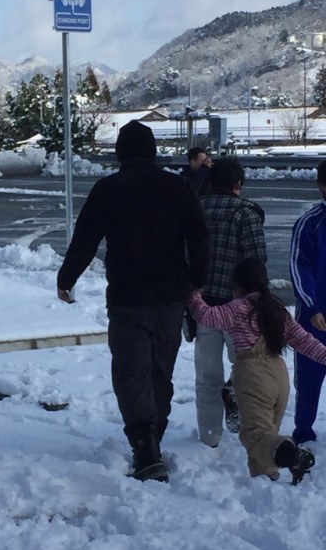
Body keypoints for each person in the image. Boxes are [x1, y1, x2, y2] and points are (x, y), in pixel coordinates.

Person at [56, 120, 209, 482]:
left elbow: (85, 239)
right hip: (171, 297)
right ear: (153, 151)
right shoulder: (178, 187)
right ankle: (153, 436)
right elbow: (199, 238)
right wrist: (197, 281)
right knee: (160, 369)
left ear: (120, 153)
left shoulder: (108, 188)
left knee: (131, 370)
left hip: (128, 297)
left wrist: (66, 279)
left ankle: (145, 447)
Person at [188, 258, 321, 484]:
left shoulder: (239, 307)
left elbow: (207, 317)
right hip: (279, 375)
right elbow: (305, 342)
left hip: (253, 374)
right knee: (268, 432)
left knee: (255, 435)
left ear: (238, 285)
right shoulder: (277, 309)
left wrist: (193, 295)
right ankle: (266, 479)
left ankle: (292, 456)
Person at [195, 156, 267, 447]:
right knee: (246, 368)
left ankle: (210, 436)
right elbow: (257, 261)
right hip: (239, 308)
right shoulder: (246, 213)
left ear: (211, 183)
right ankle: (252, 429)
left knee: (207, 374)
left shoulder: (196, 210)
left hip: (203, 305)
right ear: (239, 184)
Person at [289, 159, 326, 445]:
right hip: (315, 319)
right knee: (309, 377)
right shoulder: (309, 224)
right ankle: (303, 432)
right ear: (321, 186)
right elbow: (300, 268)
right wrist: (312, 307)